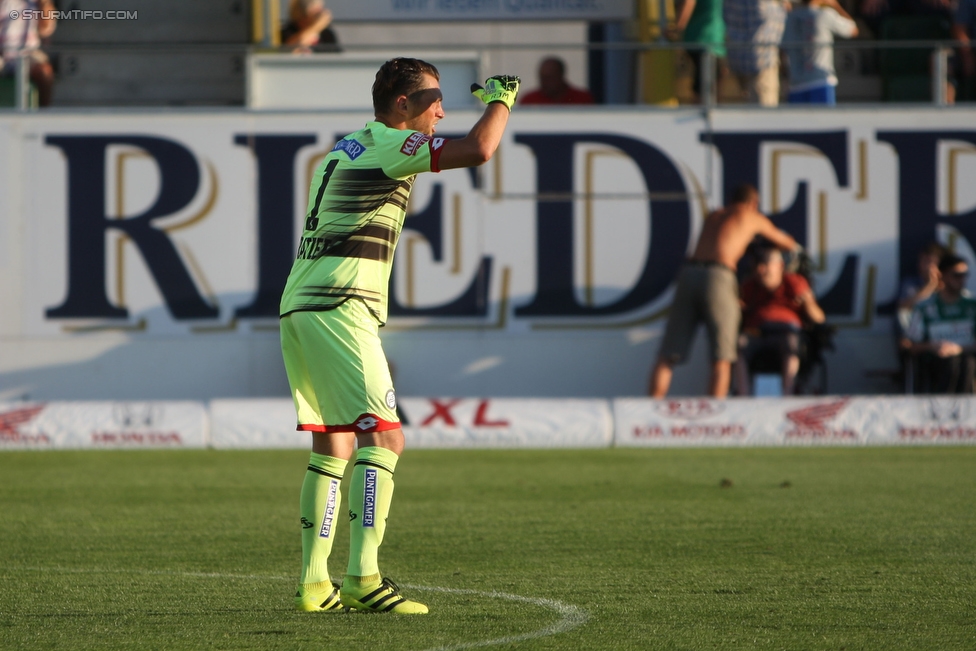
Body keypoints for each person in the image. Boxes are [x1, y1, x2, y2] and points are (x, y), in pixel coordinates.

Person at [279, 58, 519, 615]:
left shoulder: (347, 146)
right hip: (341, 307)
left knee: (334, 443)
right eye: (433, 98)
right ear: (401, 104)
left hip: (302, 304)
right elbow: (479, 149)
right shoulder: (392, 142)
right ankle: (364, 578)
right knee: (384, 439)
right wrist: (502, 100)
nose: (441, 109)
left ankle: (315, 584)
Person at [649, 184, 799, 398]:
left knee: (668, 354)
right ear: (753, 203)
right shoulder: (751, 216)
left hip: (689, 274)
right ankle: (716, 416)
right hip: (718, 276)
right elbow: (787, 243)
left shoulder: (715, 215)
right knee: (722, 357)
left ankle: (650, 409)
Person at [735, 245, 826, 395]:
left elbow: (819, 318)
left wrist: (808, 302)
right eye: (758, 265)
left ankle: (787, 393)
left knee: (791, 344)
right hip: (756, 332)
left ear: (780, 266)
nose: (761, 270)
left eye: (765, 264)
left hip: (786, 331)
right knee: (739, 344)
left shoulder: (794, 282)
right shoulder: (749, 287)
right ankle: (743, 393)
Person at [904, 254, 976, 393]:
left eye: (964, 274)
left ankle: (967, 410)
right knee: (950, 364)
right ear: (942, 275)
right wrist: (932, 346)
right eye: (956, 275)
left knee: (966, 363)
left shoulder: (972, 305)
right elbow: (909, 345)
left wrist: (959, 348)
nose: (962, 279)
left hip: (968, 358)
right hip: (936, 363)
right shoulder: (925, 307)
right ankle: (943, 409)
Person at [781, 0, 858, 105]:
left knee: (797, 121)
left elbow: (783, 48)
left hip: (796, 83)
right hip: (820, 82)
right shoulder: (825, 15)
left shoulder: (789, 18)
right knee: (825, 121)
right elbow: (853, 30)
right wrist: (835, 6)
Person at [724, 0, 788, 106]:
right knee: (764, 116)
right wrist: (783, 7)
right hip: (762, 61)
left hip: (736, 60)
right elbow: (773, 19)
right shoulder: (765, 5)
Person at [0, 0, 56, 106]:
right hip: (2, 53)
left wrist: (44, 3)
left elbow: (46, 30)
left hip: (29, 53)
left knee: (44, 72)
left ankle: (43, 115)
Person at [672, 0, 728, 104]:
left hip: (710, 41)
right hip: (704, 40)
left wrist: (677, 29)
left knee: (710, 86)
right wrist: (677, 28)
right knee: (705, 89)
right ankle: (700, 117)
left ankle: (708, 114)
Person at [518, 56, 594, 105]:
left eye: (550, 78)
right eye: (543, 78)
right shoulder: (529, 100)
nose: (545, 82)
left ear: (561, 75)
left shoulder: (582, 99)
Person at [952, 0, 976, 100]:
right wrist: (968, 56)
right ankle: (945, 112)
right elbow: (960, 29)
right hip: (971, 51)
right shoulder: (969, 1)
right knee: (942, 65)